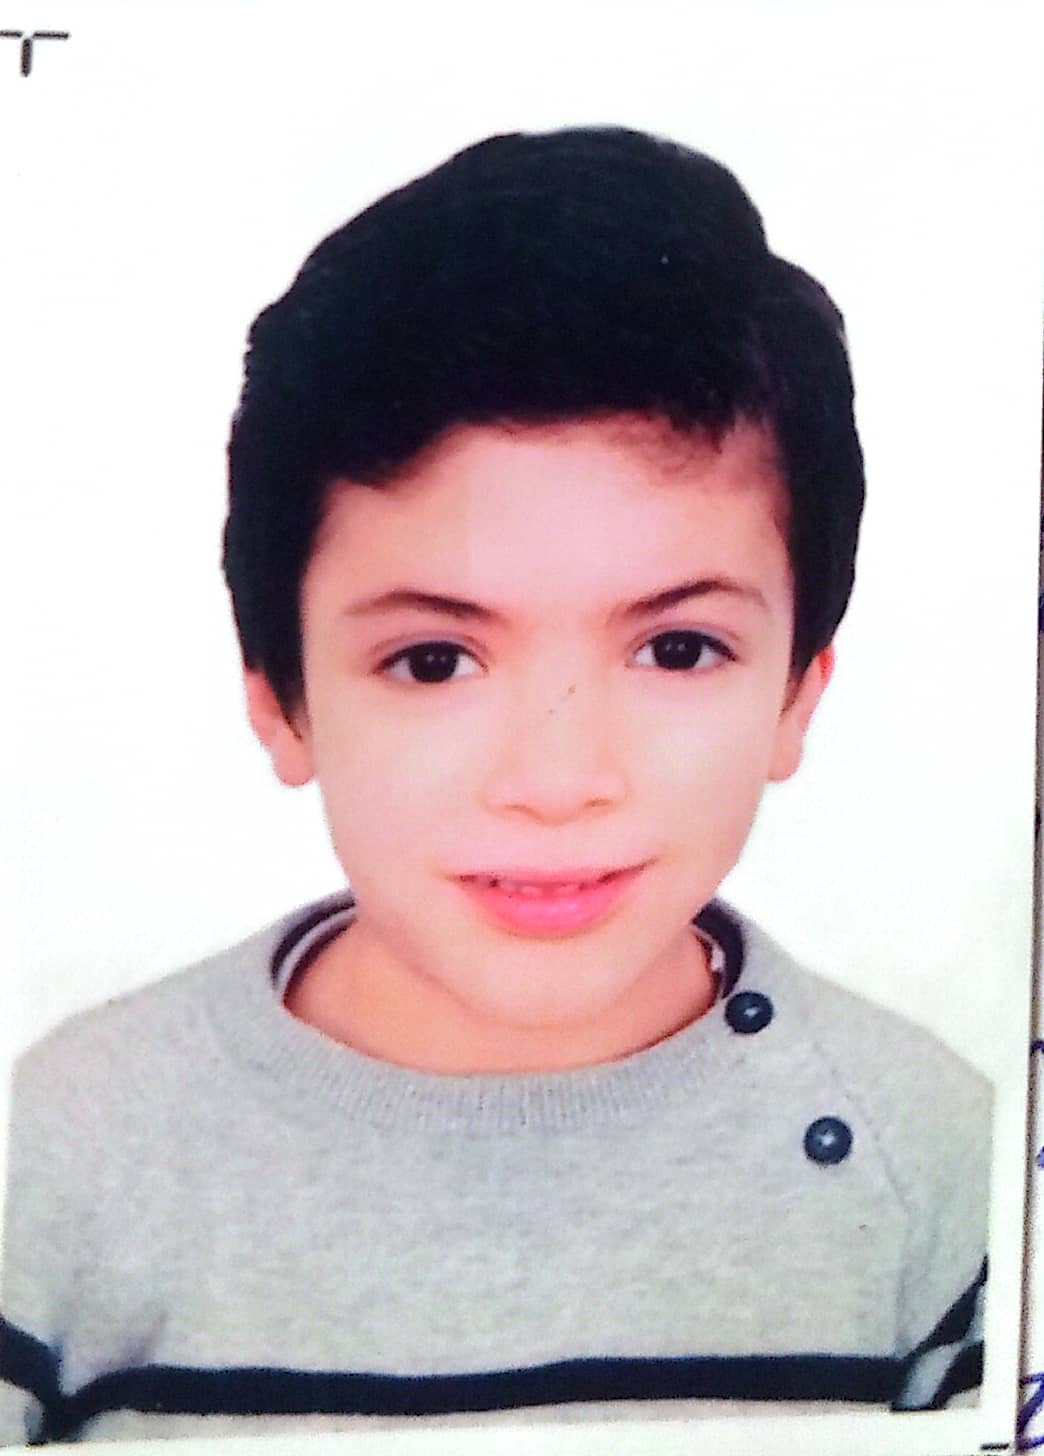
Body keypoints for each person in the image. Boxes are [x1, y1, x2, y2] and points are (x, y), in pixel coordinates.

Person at [0, 126, 990, 1445]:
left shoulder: (940, 1179)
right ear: (280, 699)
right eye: (434, 661)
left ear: (798, 694)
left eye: (677, 649)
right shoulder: (58, 1160)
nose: (559, 781)